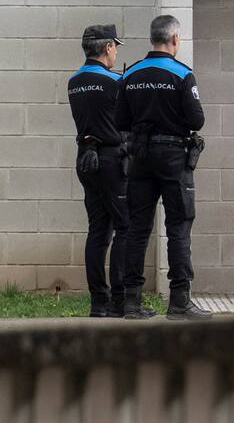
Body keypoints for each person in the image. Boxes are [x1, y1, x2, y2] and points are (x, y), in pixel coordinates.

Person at [118, 14, 210, 320]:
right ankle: (179, 301)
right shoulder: (183, 74)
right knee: (178, 228)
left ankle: (131, 302)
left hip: (140, 157)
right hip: (173, 157)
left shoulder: (131, 73)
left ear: (151, 38)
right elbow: (196, 120)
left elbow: (120, 121)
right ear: (174, 39)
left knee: (137, 229)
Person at [66, 23, 136, 318]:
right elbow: (129, 119)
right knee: (125, 227)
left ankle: (98, 301)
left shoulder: (74, 81)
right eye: (115, 47)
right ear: (108, 47)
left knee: (97, 230)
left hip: (85, 157)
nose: (116, 52)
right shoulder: (116, 81)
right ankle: (120, 299)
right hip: (111, 160)